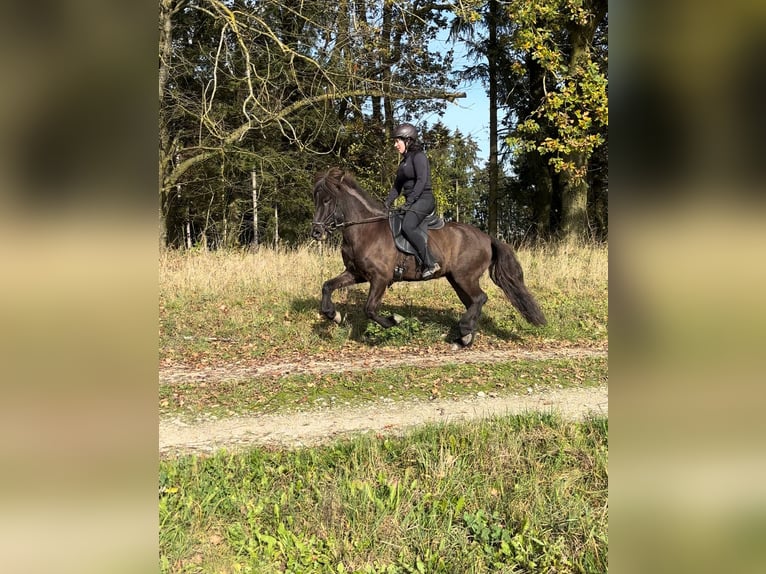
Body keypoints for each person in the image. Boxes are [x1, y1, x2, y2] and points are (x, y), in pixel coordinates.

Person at [384, 123, 441, 279]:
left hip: (424, 199)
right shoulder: (403, 163)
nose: (395, 145)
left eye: (397, 141)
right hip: (412, 201)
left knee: (408, 225)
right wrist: (387, 202)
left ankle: (430, 263)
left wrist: (410, 202)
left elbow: (422, 181)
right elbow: (397, 186)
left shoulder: (419, 157)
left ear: (408, 140)